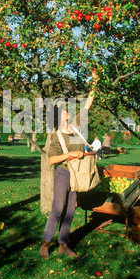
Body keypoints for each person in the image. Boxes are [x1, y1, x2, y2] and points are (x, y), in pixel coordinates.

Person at [40, 73, 97, 259]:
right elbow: (51, 160)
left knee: (70, 211)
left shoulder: (76, 128)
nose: (68, 111)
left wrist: (95, 82)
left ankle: (63, 243)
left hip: (77, 174)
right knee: (58, 209)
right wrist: (70, 154)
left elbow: (88, 104)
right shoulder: (57, 135)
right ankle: (46, 243)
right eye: (64, 111)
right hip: (63, 173)